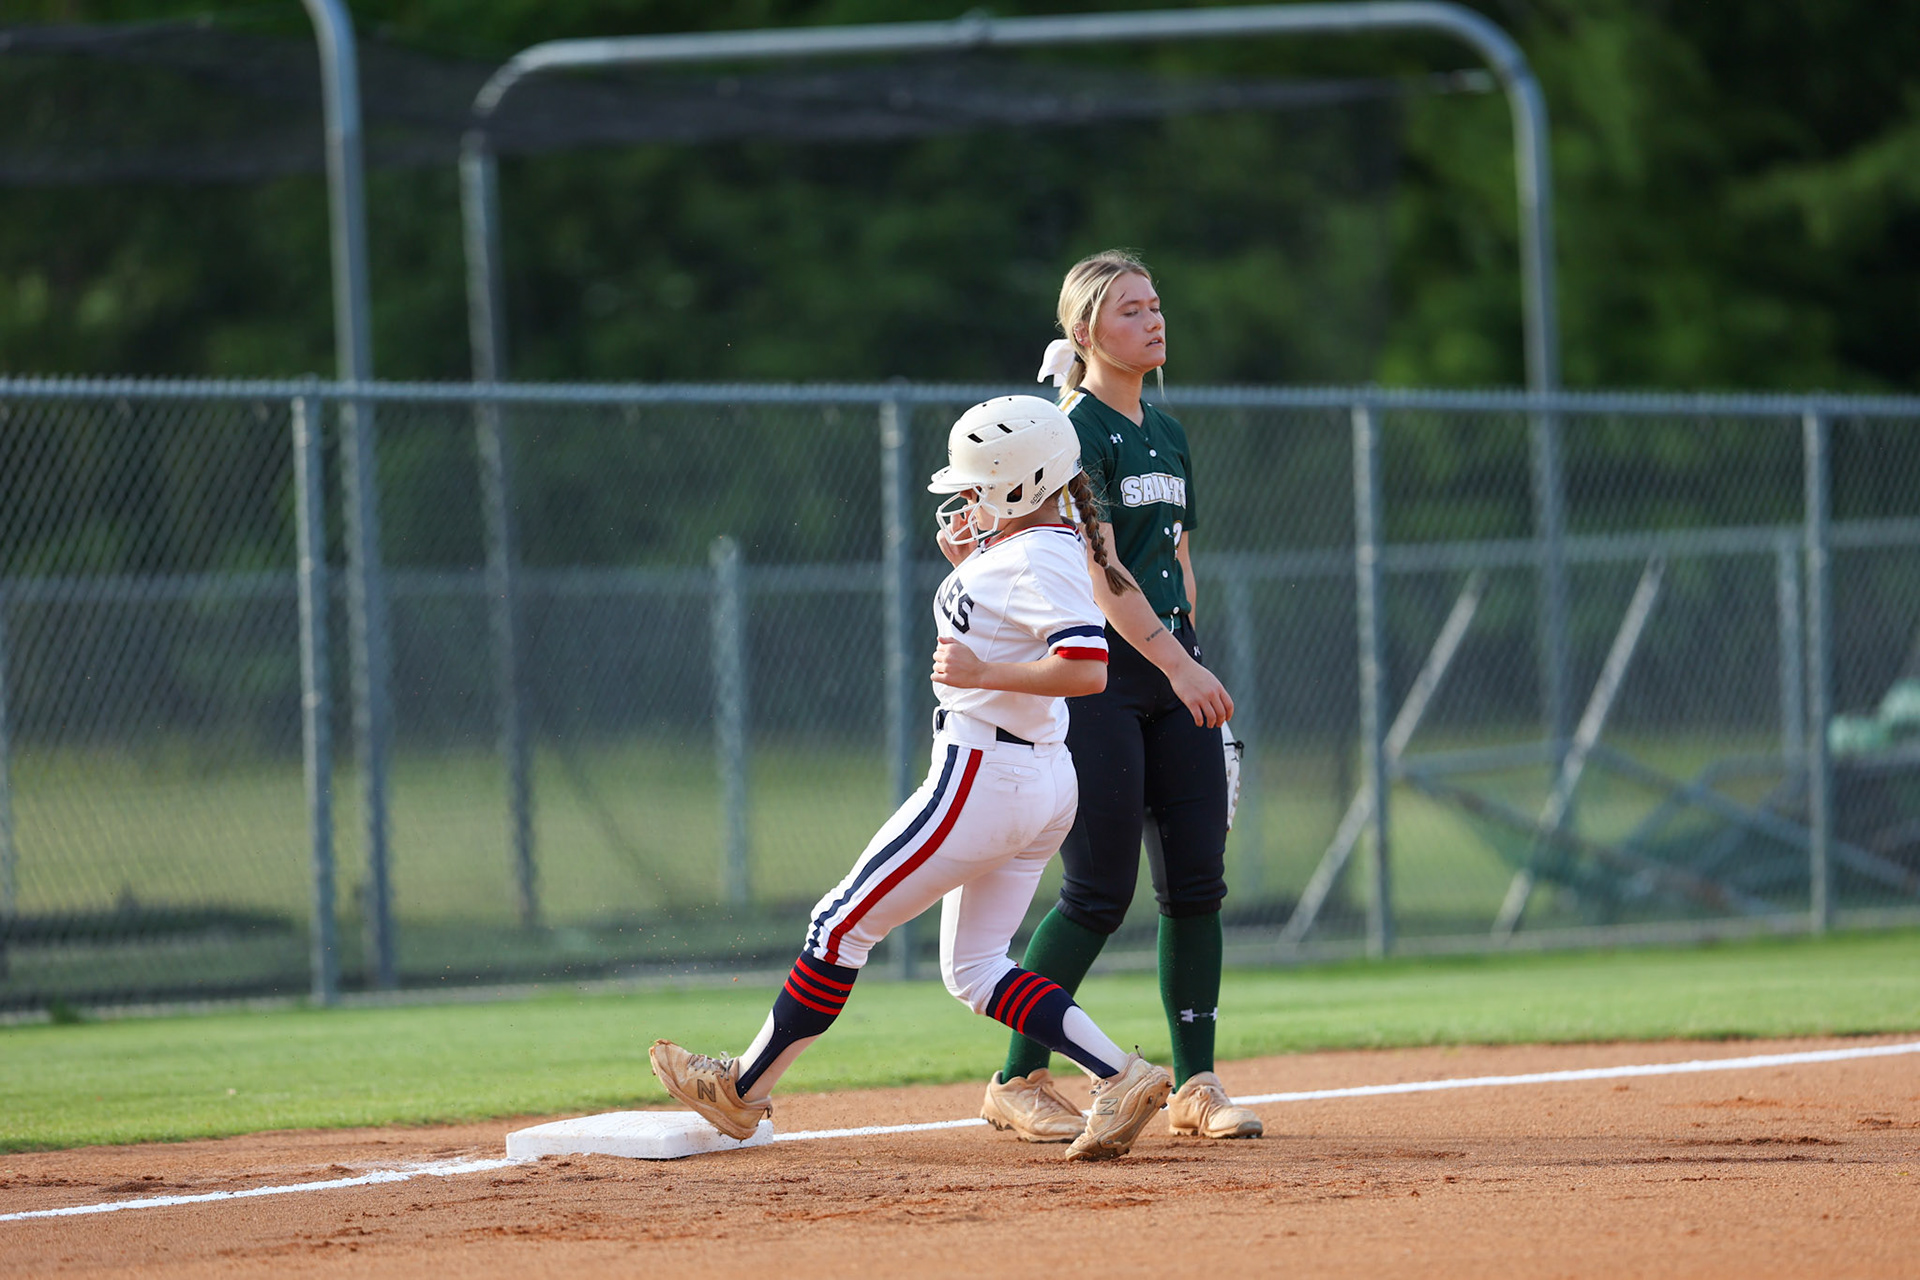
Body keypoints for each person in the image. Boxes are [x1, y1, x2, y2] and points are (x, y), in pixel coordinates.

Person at [650, 395, 1173, 1163]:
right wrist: (975, 580)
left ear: (1022, 485)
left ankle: (741, 1090)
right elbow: (1021, 612)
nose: (966, 501)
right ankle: (1121, 1075)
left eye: (978, 487)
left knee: (837, 927)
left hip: (985, 775)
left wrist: (984, 666)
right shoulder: (1034, 546)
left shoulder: (1038, 553)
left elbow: (1087, 669)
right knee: (976, 970)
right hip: (1031, 779)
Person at [979, 250, 1264, 1143]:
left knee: (1195, 887)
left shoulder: (1169, 432)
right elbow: (1104, 575)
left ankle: (1198, 1085)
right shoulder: (1071, 433)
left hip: (1175, 671)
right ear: (1086, 331)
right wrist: (1179, 669)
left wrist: (1195, 660)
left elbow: (1174, 555)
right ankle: (1017, 1079)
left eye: (1155, 305)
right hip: (1102, 680)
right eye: (1131, 309)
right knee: (1098, 890)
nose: (1153, 319)